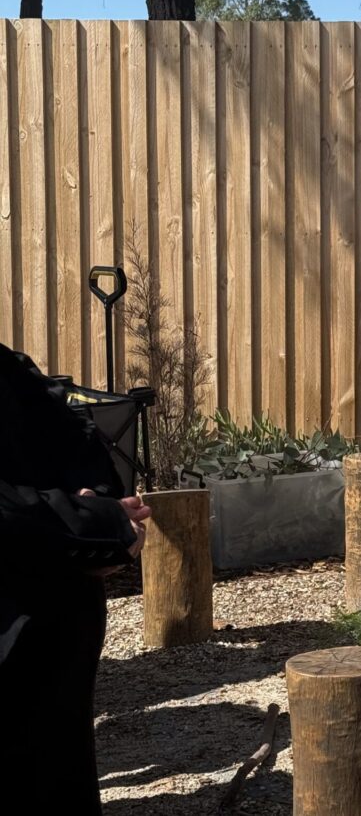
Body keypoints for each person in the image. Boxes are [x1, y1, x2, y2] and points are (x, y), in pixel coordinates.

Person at [0, 342, 151, 815]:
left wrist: (98, 498)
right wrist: (90, 524)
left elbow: (72, 430)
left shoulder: (4, 365)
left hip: (54, 609)